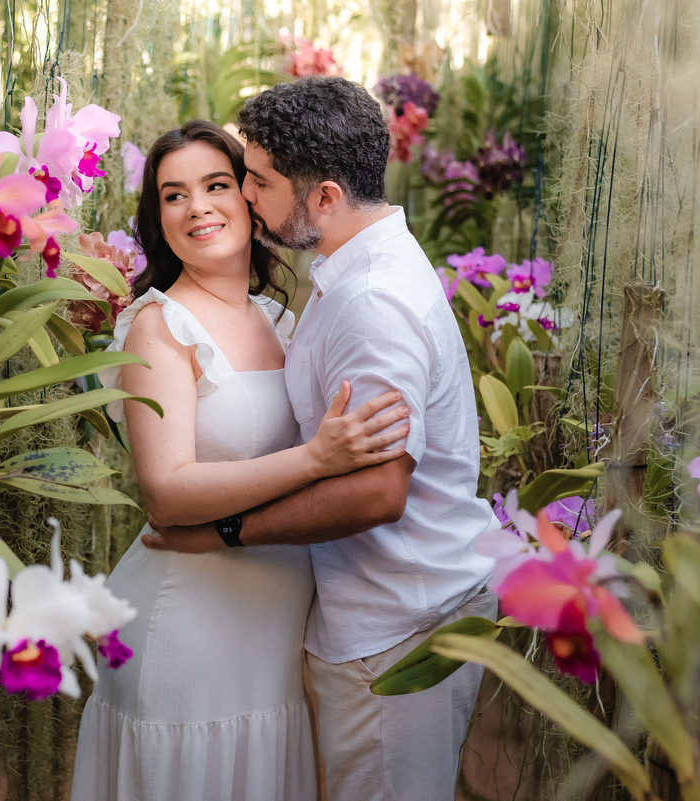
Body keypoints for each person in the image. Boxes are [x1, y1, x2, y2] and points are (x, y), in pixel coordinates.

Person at [143, 76, 499, 801]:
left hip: (395, 621)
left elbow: (377, 487)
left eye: (259, 182)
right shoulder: (347, 277)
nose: (243, 196)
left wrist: (230, 530)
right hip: (346, 616)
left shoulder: (372, 302)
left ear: (327, 198)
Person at [68, 120, 410, 801]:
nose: (197, 206)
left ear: (252, 199)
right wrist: (315, 459)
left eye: (216, 185)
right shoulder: (159, 325)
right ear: (157, 219)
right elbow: (168, 491)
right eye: (174, 195)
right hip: (187, 633)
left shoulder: (286, 322)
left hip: (272, 647)